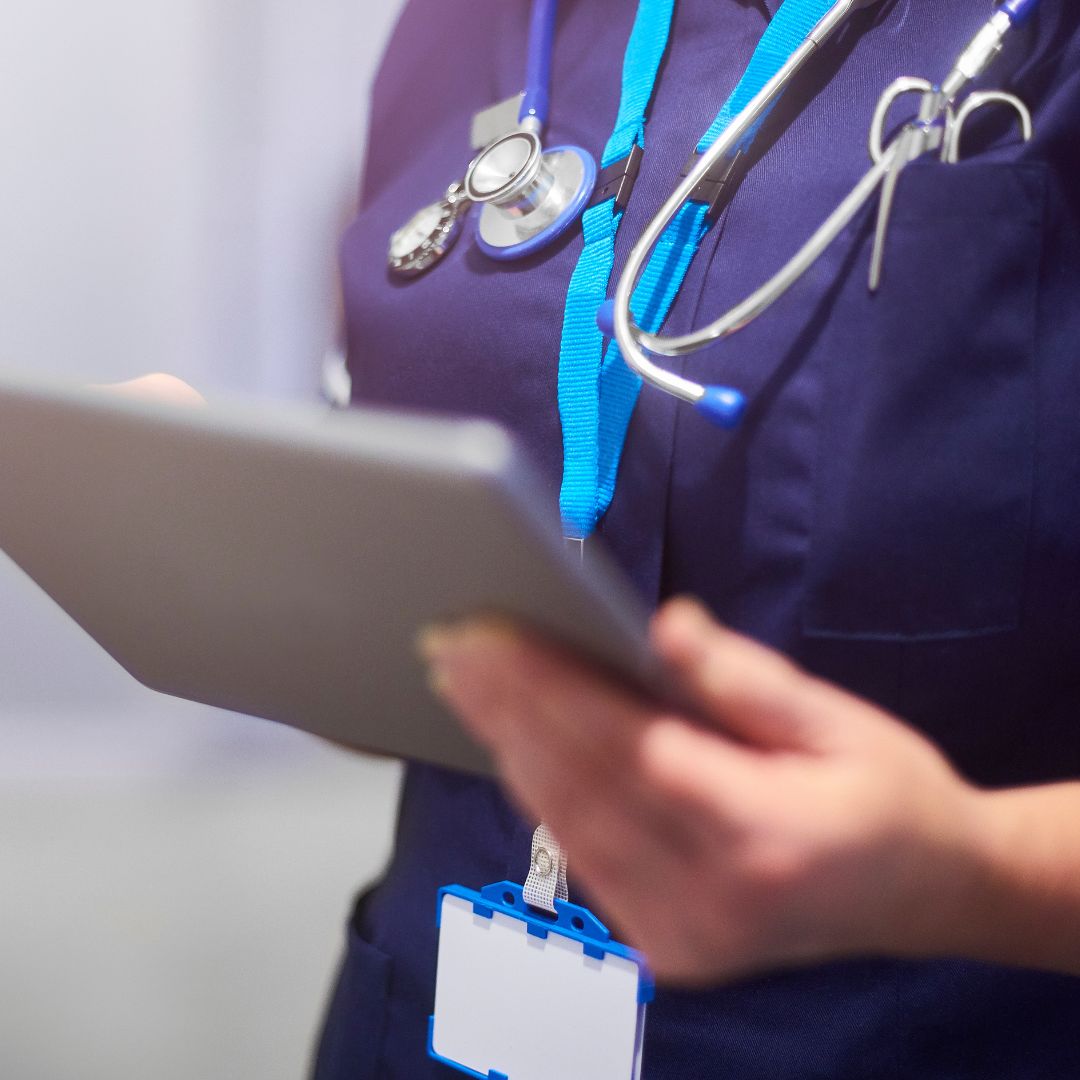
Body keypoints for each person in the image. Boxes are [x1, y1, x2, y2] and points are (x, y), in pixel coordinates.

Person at [314, 0, 1080, 1077]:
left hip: (909, 1033)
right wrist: (250, 587)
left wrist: (969, 871)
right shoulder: (467, 25)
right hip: (428, 1011)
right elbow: (385, 661)